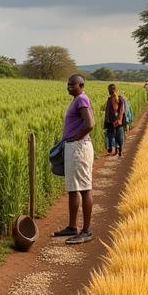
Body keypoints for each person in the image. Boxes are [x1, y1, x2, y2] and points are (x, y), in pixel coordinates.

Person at [52, 73, 95, 244]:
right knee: (73, 188)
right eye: (68, 84)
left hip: (79, 148)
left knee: (84, 188)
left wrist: (76, 138)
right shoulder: (77, 99)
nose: (69, 87)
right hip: (73, 147)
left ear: (81, 85)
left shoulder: (81, 100)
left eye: (73, 84)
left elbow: (90, 123)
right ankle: (72, 227)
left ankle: (86, 231)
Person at [103, 82, 126, 157]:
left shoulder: (120, 98)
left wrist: (119, 119)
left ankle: (120, 151)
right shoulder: (109, 99)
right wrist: (106, 121)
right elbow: (107, 111)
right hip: (111, 121)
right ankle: (115, 150)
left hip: (118, 121)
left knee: (119, 136)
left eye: (111, 90)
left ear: (115, 90)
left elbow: (122, 110)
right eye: (109, 90)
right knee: (113, 135)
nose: (110, 91)